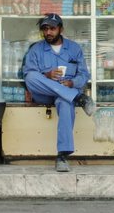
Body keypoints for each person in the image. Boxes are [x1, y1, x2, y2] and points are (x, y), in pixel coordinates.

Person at [23, 13, 96, 172]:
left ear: (61, 29)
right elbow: (29, 75)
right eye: (45, 29)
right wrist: (46, 75)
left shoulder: (74, 48)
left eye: (52, 28)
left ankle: (62, 155)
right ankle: (79, 98)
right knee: (31, 77)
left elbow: (84, 75)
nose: (48, 32)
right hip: (44, 94)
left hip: (66, 92)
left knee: (65, 102)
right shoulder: (36, 49)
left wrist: (72, 83)